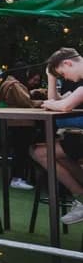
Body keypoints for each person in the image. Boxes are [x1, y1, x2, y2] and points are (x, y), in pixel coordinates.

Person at [31, 47, 83, 224]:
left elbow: (63, 106)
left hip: (77, 134)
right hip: (74, 135)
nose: (65, 78)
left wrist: (49, 103)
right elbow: (58, 103)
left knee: (41, 153)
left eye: (62, 73)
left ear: (68, 63)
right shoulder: (77, 81)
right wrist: (51, 78)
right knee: (49, 152)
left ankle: (81, 199)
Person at [0, 63, 42, 190]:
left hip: (12, 121)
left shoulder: (7, 82)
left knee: (19, 150)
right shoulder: (15, 85)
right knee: (21, 150)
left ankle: (17, 177)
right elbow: (27, 102)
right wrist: (44, 102)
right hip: (21, 122)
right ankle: (17, 178)